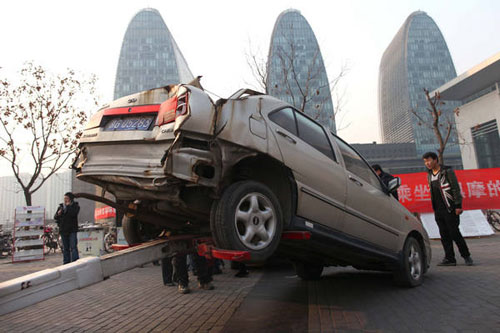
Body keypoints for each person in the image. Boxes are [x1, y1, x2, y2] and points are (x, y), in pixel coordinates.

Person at [422, 152, 473, 266]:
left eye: (429, 160)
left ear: (435, 160)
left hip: (450, 208)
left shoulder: (447, 171)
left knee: (454, 233)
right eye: (425, 162)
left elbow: (455, 188)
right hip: (438, 209)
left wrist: (458, 205)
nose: (427, 163)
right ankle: (450, 258)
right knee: (444, 235)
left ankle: (466, 256)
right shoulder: (429, 174)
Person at [54, 192, 80, 264]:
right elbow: (55, 217)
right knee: (65, 248)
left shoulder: (75, 206)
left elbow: (73, 214)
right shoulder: (61, 207)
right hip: (63, 230)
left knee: (73, 247)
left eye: (67, 198)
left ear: (71, 199)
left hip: (72, 230)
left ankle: (75, 261)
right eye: (64, 198)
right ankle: (66, 262)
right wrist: (58, 214)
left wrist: (68, 207)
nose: (65, 200)